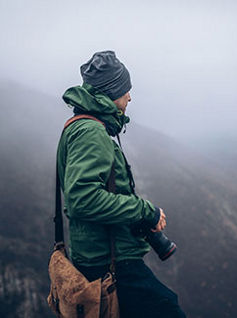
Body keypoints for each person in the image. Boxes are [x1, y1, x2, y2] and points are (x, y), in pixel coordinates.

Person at [57, 50, 186, 317]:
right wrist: (144, 211)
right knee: (168, 309)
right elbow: (83, 199)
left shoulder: (82, 126)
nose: (129, 96)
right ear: (110, 92)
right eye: (125, 90)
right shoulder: (90, 133)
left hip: (102, 257)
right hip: (109, 263)